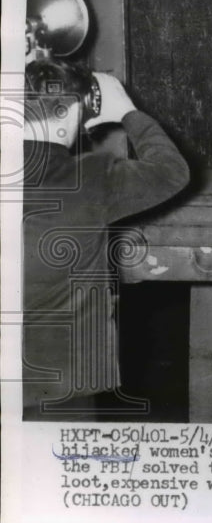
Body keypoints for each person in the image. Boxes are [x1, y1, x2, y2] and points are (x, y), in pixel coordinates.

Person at [22, 60, 190, 419]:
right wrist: (128, 112)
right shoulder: (90, 177)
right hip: (62, 382)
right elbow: (171, 172)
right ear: (68, 113)